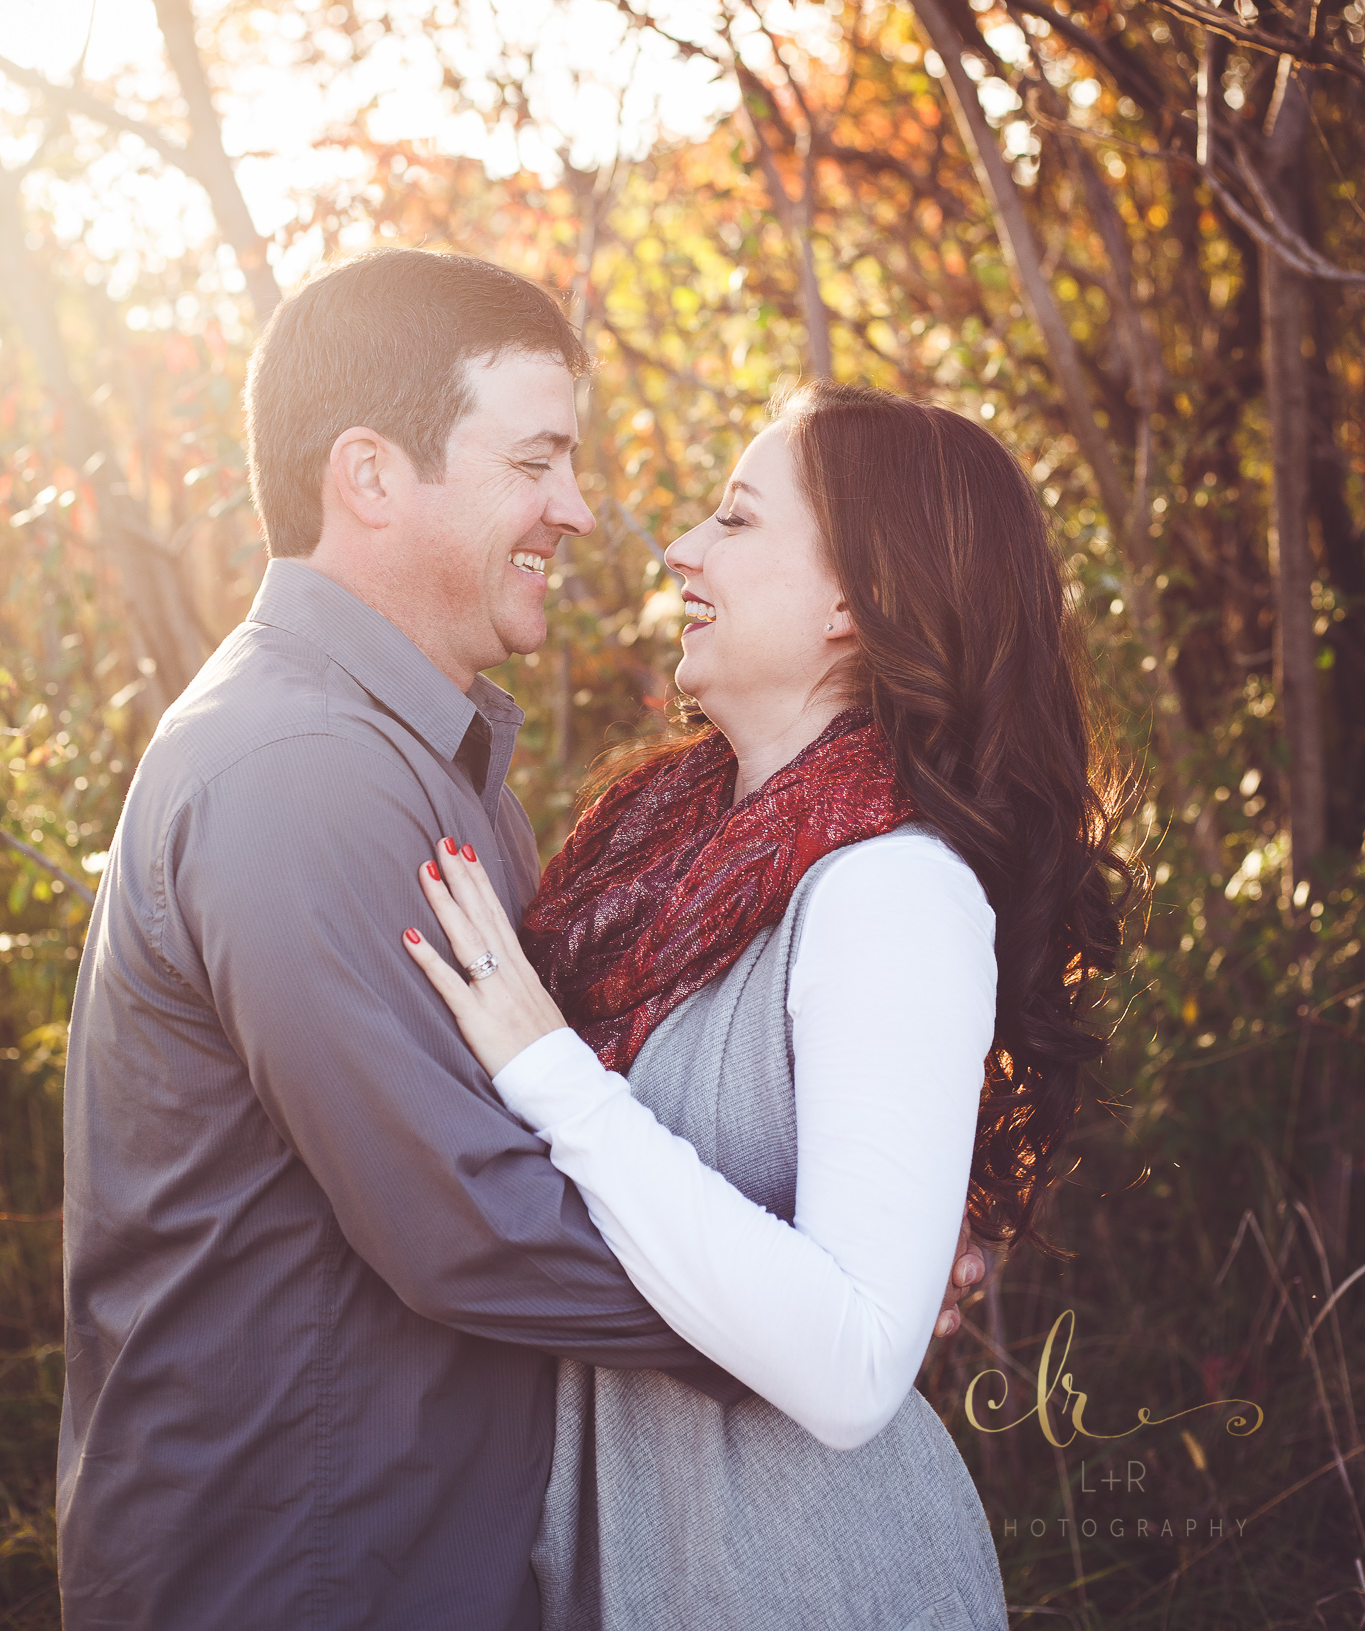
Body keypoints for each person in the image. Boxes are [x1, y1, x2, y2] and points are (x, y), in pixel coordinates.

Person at [58, 252, 979, 1631]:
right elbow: (467, 1219)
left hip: (431, 1541)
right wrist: (820, 1314)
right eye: (536, 461)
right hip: (302, 1556)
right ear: (371, 478)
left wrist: (852, 1269)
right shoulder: (301, 770)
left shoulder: (437, 766)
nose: (585, 511)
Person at [404, 381, 1130, 1631]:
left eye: (736, 521)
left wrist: (550, 1068)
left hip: (800, 1578)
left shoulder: (891, 890)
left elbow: (852, 1367)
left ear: (857, 600)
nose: (679, 545)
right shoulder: (667, 854)